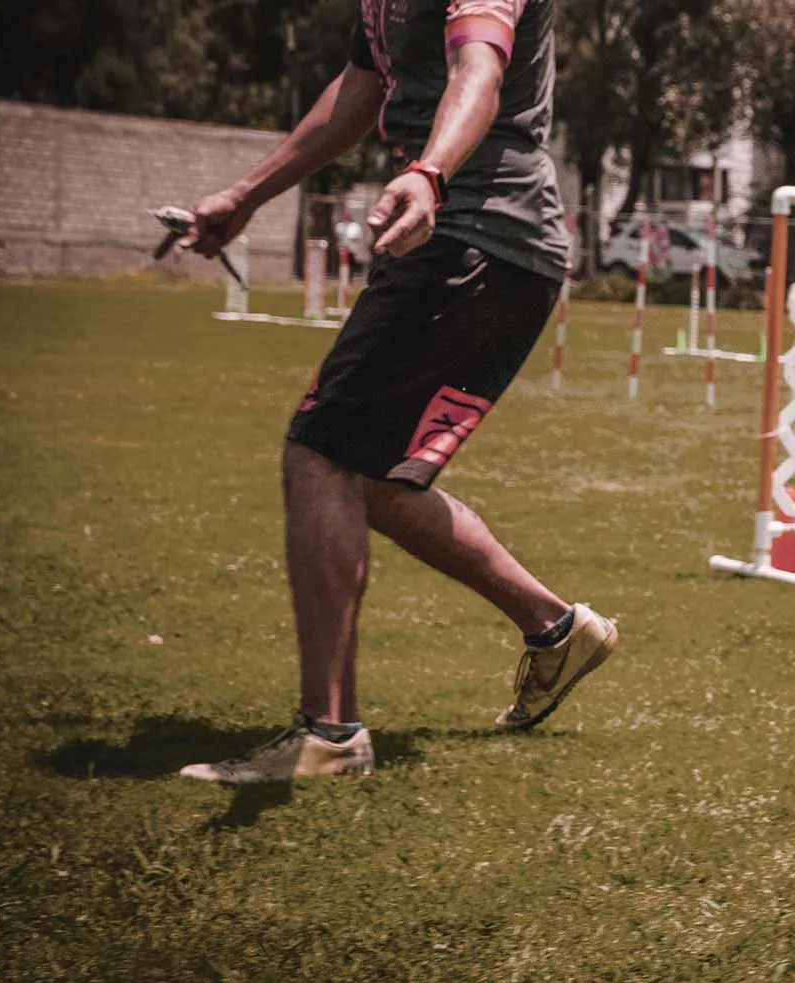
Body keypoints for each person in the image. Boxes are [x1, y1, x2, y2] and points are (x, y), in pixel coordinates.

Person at [175, 0, 615, 783]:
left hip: (479, 233)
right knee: (368, 477)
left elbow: (477, 67)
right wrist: (246, 196)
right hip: (460, 230)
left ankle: (329, 738)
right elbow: (358, 89)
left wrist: (428, 171)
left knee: (321, 459)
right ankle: (555, 627)